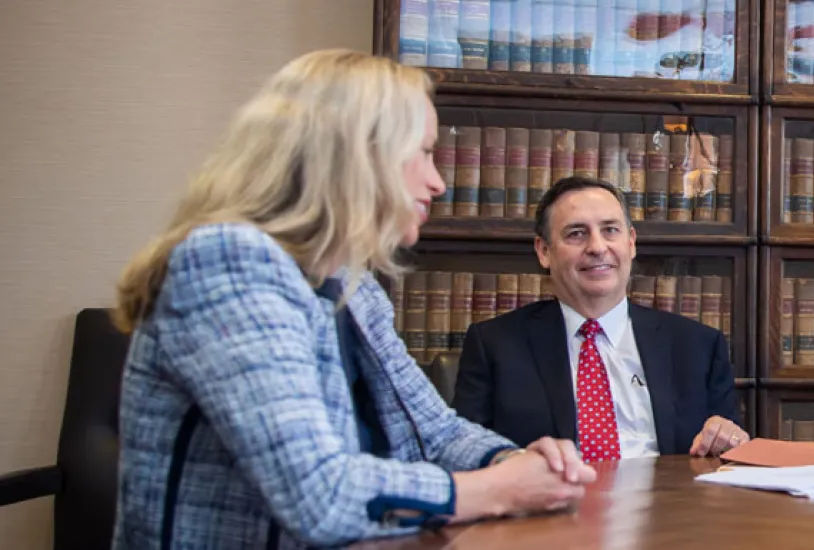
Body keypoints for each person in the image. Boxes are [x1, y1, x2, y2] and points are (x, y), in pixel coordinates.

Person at [112, 50, 594, 549]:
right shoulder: (228, 262)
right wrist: (498, 491)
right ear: (356, 154)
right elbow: (317, 496)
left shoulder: (351, 285)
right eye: (423, 152)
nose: (438, 181)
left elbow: (434, 430)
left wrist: (513, 461)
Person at [453, 177, 747, 460]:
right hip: (551, 505)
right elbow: (464, 449)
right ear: (544, 251)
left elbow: (726, 451)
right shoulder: (494, 344)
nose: (596, 247)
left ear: (631, 243)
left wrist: (729, 439)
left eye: (610, 230)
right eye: (576, 233)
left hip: (667, 505)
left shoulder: (697, 346)